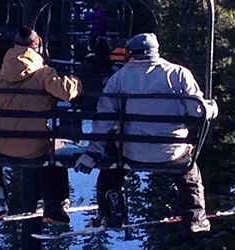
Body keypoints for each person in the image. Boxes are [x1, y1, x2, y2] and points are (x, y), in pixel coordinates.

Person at [74, 33, 218, 233]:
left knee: (113, 165)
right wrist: (212, 108)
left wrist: (92, 153)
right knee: (188, 169)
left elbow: (104, 119)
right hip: (172, 150)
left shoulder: (119, 78)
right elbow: (197, 111)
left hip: (131, 150)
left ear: (132, 53)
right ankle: (195, 216)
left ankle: (112, 210)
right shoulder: (178, 73)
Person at [0, 26, 82, 224]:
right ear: (38, 48)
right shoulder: (44, 75)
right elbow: (67, 93)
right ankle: (53, 204)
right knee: (55, 148)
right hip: (34, 147)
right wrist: (75, 82)